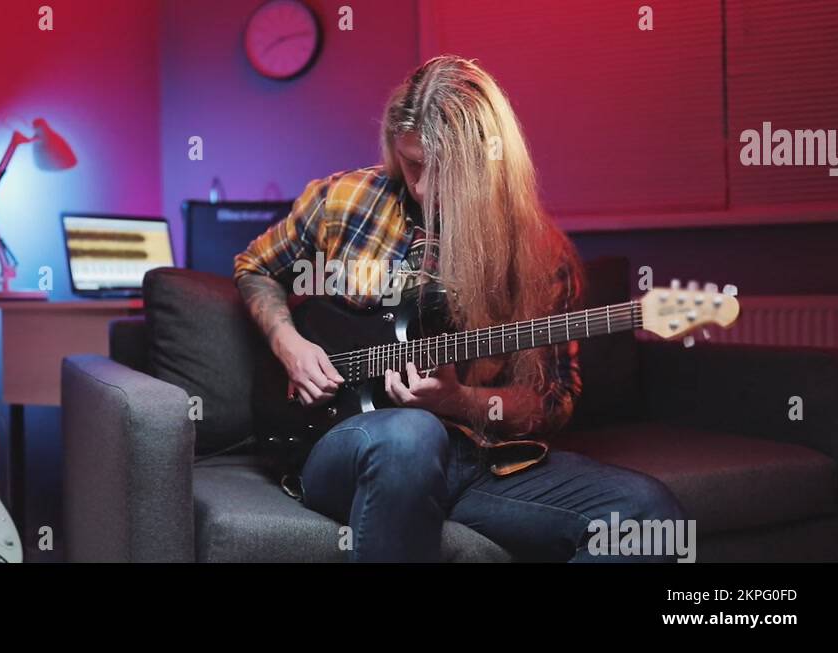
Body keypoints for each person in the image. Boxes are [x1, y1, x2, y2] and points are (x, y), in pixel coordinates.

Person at [234, 55, 685, 562]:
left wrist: (458, 399)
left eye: (444, 172)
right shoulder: (344, 199)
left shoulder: (538, 255)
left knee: (648, 511)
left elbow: (552, 402)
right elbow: (256, 268)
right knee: (409, 435)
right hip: (346, 445)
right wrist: (289, 344)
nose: (423, 188)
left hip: (471, 461)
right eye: (413, 164)